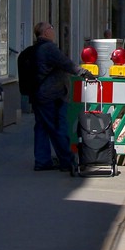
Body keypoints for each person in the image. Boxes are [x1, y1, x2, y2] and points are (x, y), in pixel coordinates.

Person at [29, 21, 85, 173]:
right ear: (45, 32)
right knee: (57, 127)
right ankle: (66, 161)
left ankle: (42, 161)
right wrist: (83, 72)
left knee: (41, 127)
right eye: (51, 28)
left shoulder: (35, 48)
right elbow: (66, 63)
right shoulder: (49, 48)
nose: (53, 30)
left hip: (38, 95)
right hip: (51, 95)